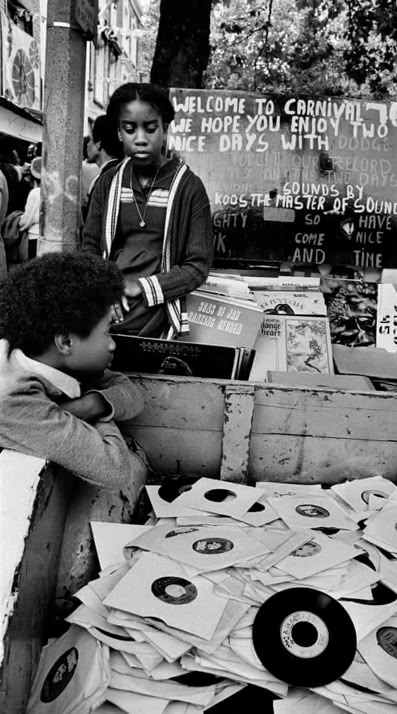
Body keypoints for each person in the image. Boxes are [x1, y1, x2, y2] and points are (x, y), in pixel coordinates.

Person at [0, 252, 149, 605]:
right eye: (107, 332)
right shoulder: (13, 399)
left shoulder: (40, 355)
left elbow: (131, 392)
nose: (113, 344)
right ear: (65, 342)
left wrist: (90, 404)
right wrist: (98, 411)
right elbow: (114, 470)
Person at [82, 82, 213, 338]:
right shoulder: (108, 183)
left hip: (159, 306)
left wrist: (141, 287)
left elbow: (197, 266)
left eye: (150, 129)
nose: (140, 139)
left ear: (164, 129)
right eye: (129, 129)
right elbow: (89, 250)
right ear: (119, 133)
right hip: (108, 302)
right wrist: (107, 289)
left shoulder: (189, 188)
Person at [83, 113, 124, 219]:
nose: (87, 144)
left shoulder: (106, 177)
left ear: (99, 144)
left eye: (91, 140)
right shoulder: (120, 170)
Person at [18, 155, 41, 258]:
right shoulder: (50, 191)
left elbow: (27, 220)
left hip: (34, 235)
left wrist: (18, 221)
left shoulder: (34, 192)